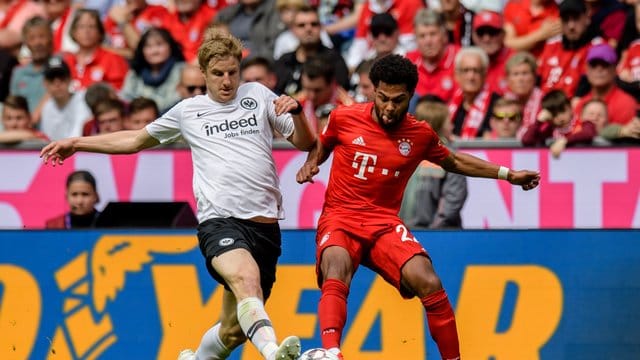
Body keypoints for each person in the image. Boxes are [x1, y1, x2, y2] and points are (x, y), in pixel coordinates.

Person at [40, 30, 316, 360]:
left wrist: (298, 113)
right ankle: (274, 353)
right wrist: (77, 143)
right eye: (218, 74)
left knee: (234, 330)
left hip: (266, 228)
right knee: (246, 280)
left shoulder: (257, 95)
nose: (226, 81)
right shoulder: (188, 111)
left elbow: (304, 142)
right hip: (221, 222)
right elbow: (134, 141)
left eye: (232, 72)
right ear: (203, 73)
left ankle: (198, 358)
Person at [295, 54, 541, 360]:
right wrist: (311, 162)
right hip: (341, 217)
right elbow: (323, 143)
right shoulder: (344, 118)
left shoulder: (420, 134)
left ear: (411, 96)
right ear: (374, 90)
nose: (388, 107)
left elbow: (455, 161)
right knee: (336, 263)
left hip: (383, 222)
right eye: (382, 98)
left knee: (428, 280)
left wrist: (508, 174)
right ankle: (332, 353)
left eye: (397, 100)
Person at [400, 96, 467, 229]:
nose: (452, 126)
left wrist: (433, 231)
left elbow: (452, 200)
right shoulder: (405, 153)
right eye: (449, 121)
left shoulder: (402, 152)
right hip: (420, 234)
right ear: (438, 124)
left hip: (434, 234)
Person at [120, 27, 186, 113]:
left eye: (159, 45)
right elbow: (125, 98)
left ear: (170, 46)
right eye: (148, 46)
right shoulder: (135, 72)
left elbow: (179, 100)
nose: (154, 51)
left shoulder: (182, 70)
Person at [521, 89, 596, 158]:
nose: (559, 117)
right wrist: (538, 121)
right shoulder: (549, 131)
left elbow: (588, 133)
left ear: (570, 107)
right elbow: (526, 140)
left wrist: (564, 141)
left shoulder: (583, 122)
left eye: (562, 111)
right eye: (554, 114)